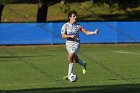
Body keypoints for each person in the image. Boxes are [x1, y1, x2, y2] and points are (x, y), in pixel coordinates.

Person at [61, 10, 99, 80]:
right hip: (68, 44)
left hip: (76, 44)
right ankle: (83, 64)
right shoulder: (65, 25)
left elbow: (86, 32)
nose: (75, 17)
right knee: (75, 59)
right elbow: (63, 36)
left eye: (76, 16)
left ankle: (69, 75)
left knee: (70, 58)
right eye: (73, 16)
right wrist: (70, 36)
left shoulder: (78, 26)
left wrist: (94, 32)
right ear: (70, 17)